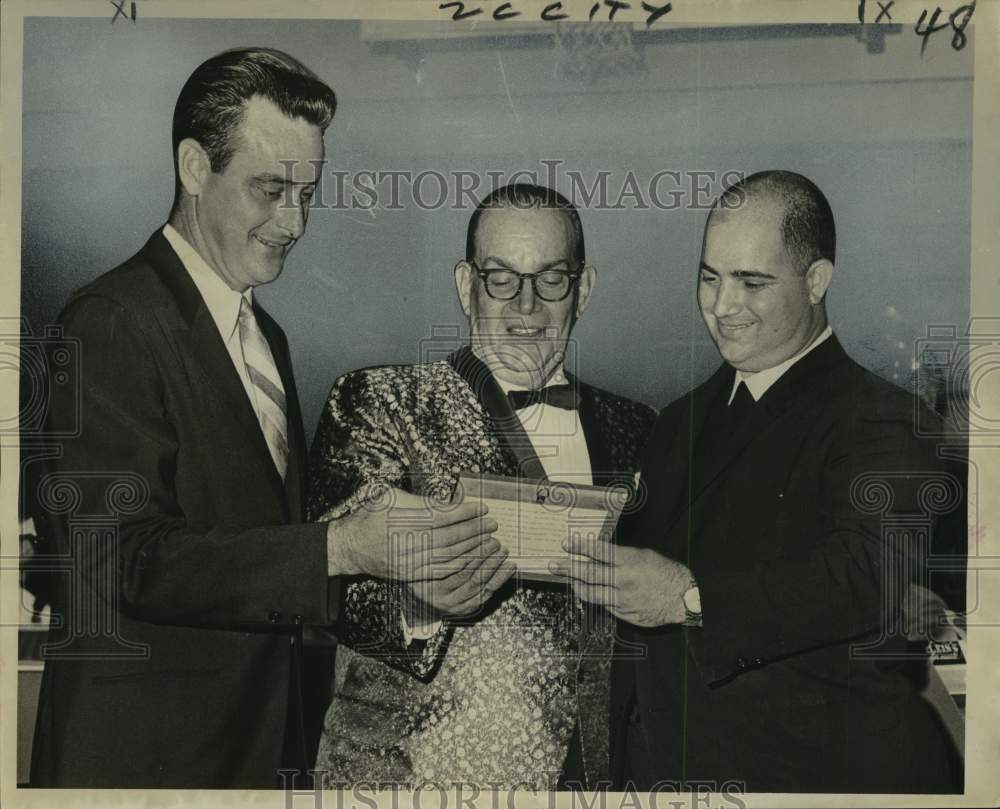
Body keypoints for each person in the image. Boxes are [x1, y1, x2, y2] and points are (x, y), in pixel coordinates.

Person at [29, 47, 498, 789]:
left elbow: (261, 561)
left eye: (308, 192)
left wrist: (401, 577)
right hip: (144, 769)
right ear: (194, 166)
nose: (295, 221)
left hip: (253, 760)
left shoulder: (264, 337)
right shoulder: (111, 321)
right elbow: (118, 558)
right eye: (270, 189)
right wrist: (340, 546)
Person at [552, 170, 964, 793]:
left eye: (751, 282)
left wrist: (690, 597)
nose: (723, 306)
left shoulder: (884, 417)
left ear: (816, 280)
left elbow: (865, 575)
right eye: (710, 277)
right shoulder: (677, 421)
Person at [307, 183, 656, 790]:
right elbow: (330, 589)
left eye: (551, 279)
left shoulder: (639, 429)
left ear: (583, 290)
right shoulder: (382, 401)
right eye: (501, 279)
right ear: (466, 285)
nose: (526, 305)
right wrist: (419, 606)